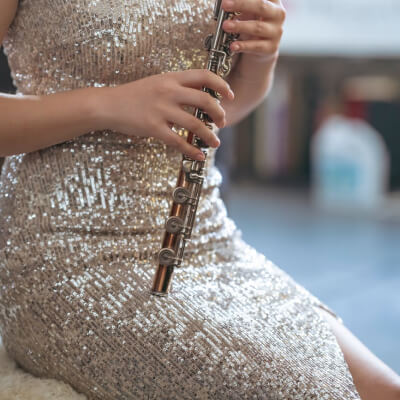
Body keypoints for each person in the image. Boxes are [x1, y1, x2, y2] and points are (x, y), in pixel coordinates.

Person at [0, 0, 399, 399]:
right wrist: (107, 104)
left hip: (205, 239)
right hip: (66, 253)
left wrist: (262, 58)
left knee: (386, 390)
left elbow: (212, 115)